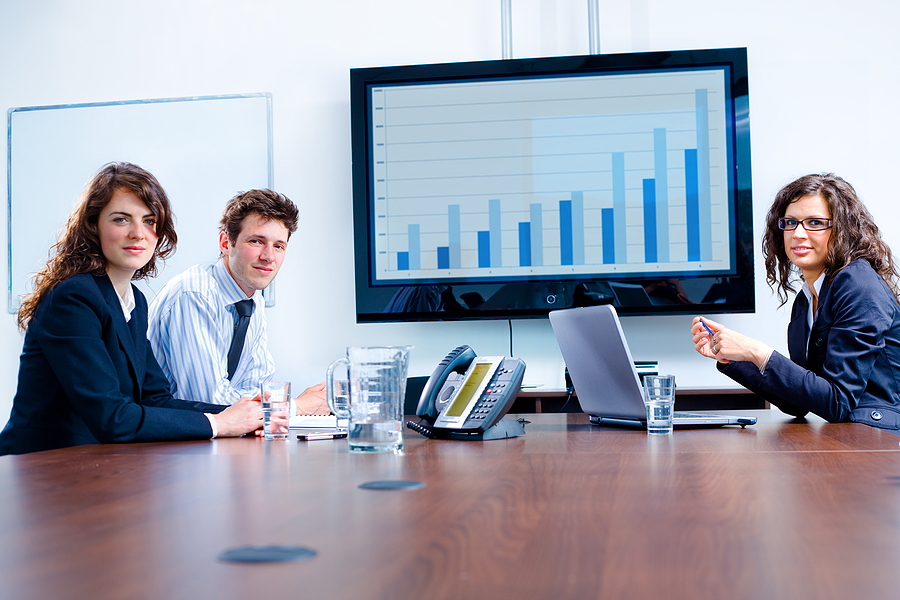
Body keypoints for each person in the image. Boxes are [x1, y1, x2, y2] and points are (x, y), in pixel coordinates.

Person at [0, 162, 263, 455]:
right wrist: (219, 424)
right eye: (121, 219)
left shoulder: (134, 301)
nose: (138, 233)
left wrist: (242, 414)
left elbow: (156, 399)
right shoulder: (73, 297)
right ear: (93, 225)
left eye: (149, 221)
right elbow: (112, 417)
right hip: (40, 469)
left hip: (98, 467)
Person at [691, 173, 900, 430]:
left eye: (815, 222)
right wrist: (733, 357)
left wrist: (758, 352)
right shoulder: (807, 298)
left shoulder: (858, 284)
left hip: (883, 443)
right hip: (849, 438)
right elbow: (799, 403)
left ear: (843, 229)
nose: (798, 233)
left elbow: (838, 401)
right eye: (790, 222)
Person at [148, 189, 327, 412]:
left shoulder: (252, 301)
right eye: (256, 241)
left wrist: (275, 408)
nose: (268, 256)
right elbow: (208, 401)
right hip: (167, 442)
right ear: (225, 242)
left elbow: (254, 389)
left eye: (278, 246)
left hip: (215, 439)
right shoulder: (194, 294)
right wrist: (295, 407)